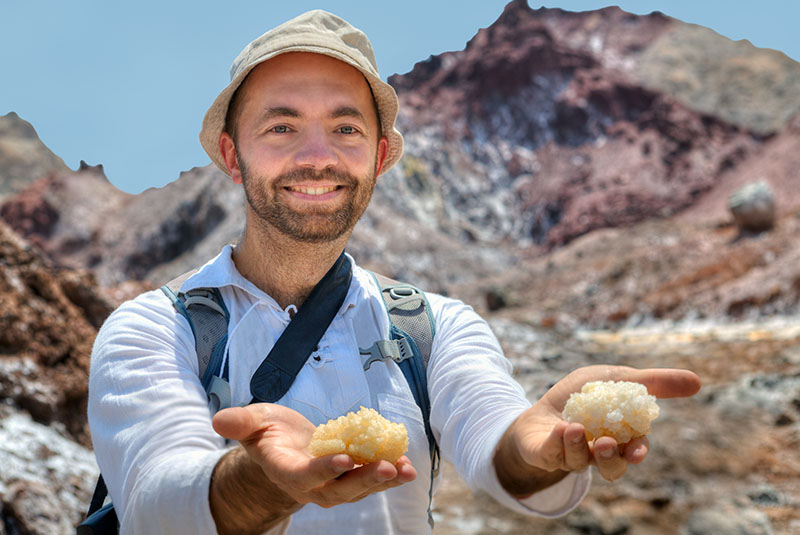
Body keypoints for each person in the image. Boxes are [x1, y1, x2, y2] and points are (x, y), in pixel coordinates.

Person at [87, 10, 702, 535]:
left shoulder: (433, 326)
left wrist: (543, 447)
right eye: (281, 127)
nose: (317, 156)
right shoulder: (152, 329)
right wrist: (264, 481)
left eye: (346, 128)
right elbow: (157, 502)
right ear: (231, 154)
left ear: (379, 156)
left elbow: (496, 436)